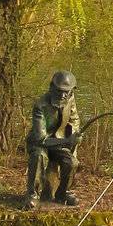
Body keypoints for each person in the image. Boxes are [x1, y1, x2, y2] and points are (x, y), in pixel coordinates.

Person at [25, 70, 81, 209]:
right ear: (52, 87)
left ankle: (63, 193)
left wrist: (74, 135)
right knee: (38, 157)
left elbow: (74, 120)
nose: (63, 95)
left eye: (66, 92)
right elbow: (40, 139)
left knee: (72, 162)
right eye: (59, 91)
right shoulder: (40, 105)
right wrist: (66, 142)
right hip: (40, 143)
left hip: (59, 142)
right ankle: (33, 195)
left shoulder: (70, 99)